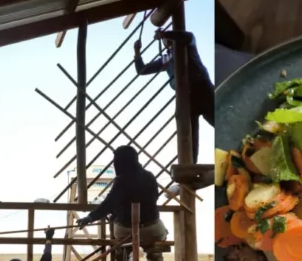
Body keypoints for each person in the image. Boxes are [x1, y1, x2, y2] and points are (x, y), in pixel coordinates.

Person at [134, 30, 215, 164]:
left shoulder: (188, 45)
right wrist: (137, 53)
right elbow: (142, 70)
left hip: (202, 89)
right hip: (185, 97)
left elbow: (188, 36)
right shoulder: (166, 58)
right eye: (165, 39)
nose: (167, 39)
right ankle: (191, 166)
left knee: (219, 118)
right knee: (189, 137)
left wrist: (165, 34)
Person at [75, 146, 168, 261]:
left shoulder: (121, 180)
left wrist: (90, 217)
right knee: (159, 237)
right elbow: (154, 198)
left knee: (121, 247)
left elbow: (108, 204)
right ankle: (155, 256)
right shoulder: (149, 176)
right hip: (151, 228)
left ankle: (122, 255)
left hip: (126, 231)